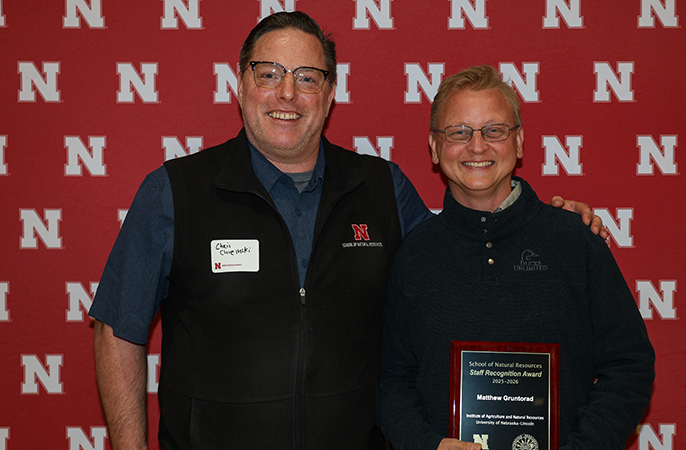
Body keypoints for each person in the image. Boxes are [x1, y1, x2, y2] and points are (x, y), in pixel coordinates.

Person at [90, 12, 606, 450]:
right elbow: (118, 330)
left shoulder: (382, 187)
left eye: (308, 77)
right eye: (268, 73)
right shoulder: (174, 191)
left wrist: (545, 226)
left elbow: (461, 255)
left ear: (330, 92)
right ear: (240, 83)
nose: (287, 93)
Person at [378, 65, 655, 450]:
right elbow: (392, 378)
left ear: (520, 142)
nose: (477, 146)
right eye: (458, 132)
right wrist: (427, 445)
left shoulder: (576, 240)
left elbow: (630, 365)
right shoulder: (414, 255)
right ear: (434, 147)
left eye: (494, 130)